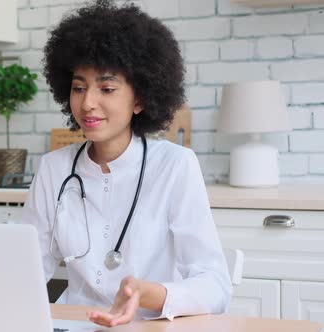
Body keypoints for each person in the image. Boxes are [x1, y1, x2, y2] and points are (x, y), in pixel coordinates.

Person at [20, 0, 232, 327]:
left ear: (141, 99)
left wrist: (150, 294)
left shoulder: (175, 165)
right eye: (79, 88)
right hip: (74, 324)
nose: (88, 103)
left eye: (107, 88)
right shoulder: (54, 169)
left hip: (151, 324)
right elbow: (25, 270)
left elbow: (216, 285)